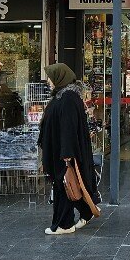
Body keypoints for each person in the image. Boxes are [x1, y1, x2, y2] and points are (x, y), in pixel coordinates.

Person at [38, 63, 100, 236]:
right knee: (68, 186)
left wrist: (67, 154)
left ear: (59, 77)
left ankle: (64, 224)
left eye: (51, 77)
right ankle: (86, 212)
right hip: (60, 150)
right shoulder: (63, 96)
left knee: (64, 187)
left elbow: (68, 128)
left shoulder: (67, 99)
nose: (48, 81)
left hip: (63, 153)